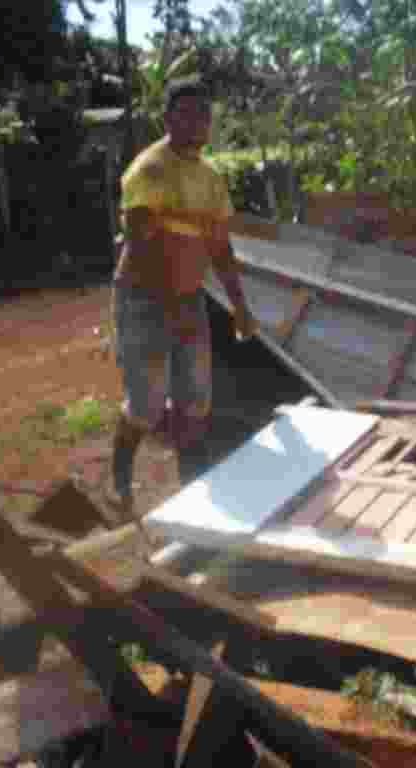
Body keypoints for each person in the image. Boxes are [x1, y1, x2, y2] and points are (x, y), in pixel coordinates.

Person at [106, 75, 259, 518]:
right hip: (144, 301)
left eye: (204, 115)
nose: (198, 122)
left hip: (188, 300)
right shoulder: (148, 170)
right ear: (169, 117)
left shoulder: (210, 178)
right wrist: (170, 305)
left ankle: (192, 495)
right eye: (188, 113)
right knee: (148, 406)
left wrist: (240, 307)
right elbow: (139, 243)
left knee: (196, 404)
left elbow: (219, 248)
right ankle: (119, 481)